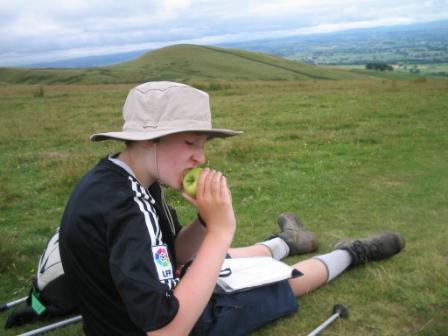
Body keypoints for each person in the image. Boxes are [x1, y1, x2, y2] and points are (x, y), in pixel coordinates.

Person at [59, 81, 405, 336]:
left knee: (218, 258)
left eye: (203, 145)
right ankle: (352, 253)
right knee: (279, 285)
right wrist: (222, 230)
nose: (201, 157)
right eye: (191, 142)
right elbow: (166, 331)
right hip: (148, 326)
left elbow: (171, 254)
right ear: (151, 138)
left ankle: (286, 241)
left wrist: (206, 221)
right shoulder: (128, 206)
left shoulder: (129, 178)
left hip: (128, 306)